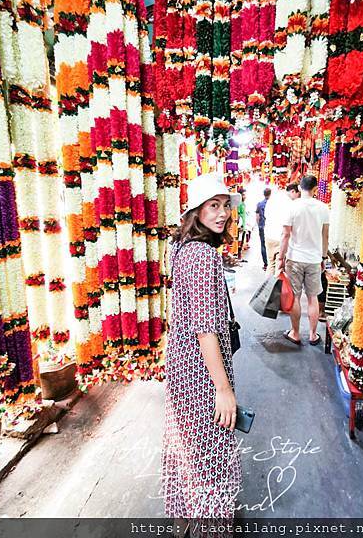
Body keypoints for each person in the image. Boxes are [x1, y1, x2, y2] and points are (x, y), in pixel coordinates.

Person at [161, 173, 242, 529]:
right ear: (196, 211)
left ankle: (185, 519)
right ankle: (210, 524)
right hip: (200, 373)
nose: (222, 213)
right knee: (209, 452)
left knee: (187, 448)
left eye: (226, 205)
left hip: (180, 363)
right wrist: (223, 390)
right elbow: (205, 328)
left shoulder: (178, 247)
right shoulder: (203, 256)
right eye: (213, 205)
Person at [278, 176, 329, 346]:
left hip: (295, 258)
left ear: (299, 188)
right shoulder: (323, 208)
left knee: (296, 297)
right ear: (315, 189)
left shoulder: (292, 207)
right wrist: (323, 257)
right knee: (313, 298)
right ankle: (313, 335)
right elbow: (325, 235)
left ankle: (296, 333)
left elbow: (285, 235)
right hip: (314, 259)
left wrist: (280, 257)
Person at [264, 183, 300, 275]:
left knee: (271, 264)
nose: (298, 197)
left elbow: (265, 215)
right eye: (298, 194)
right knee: (280, 266)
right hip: (281, 237)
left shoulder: (273, 198)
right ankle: (277, 288)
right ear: (293, 191)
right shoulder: (290, 203)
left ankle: (268, 287)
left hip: (269, 235)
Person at [255, 187, 271, 270]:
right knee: (272, 245)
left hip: (262, 226)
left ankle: (266, 264)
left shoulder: (260, 204)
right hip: (270, 226)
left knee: (263, 244)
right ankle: (272, 263)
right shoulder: (272, 204)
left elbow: (257, 217)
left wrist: (259, 225)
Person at [237, 187, 247, 259]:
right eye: (243, 195)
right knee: (239, 241)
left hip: (243, 225)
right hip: (240, 226)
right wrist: (239, 225)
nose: (245, 196)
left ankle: (240, 257)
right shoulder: (239, 204)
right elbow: (237, 215)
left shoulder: (243, 203)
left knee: (241, 240)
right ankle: (238, 257)